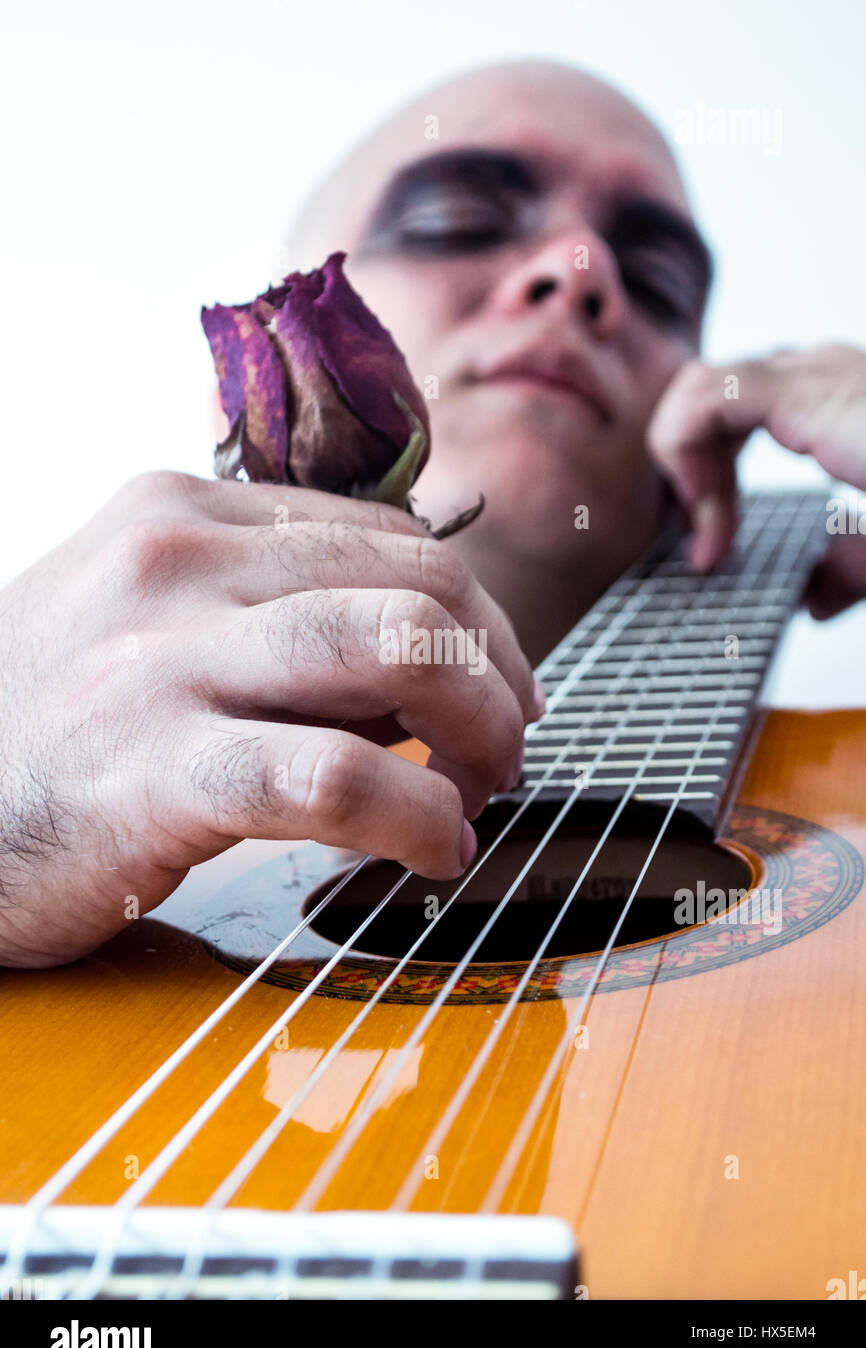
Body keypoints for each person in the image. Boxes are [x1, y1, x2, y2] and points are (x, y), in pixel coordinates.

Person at [1, 60, 863, 969]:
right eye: (457, 222)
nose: (579, 276)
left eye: (655, 281)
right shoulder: (64, 738)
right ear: (249, 391)